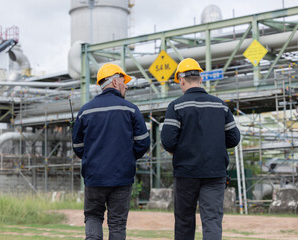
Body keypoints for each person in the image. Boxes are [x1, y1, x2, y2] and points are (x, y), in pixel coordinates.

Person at [160, 58, 240, 240]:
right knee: (212, 220)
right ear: (200, 78)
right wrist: (214, 143)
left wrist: (178, 150)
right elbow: (234, 138)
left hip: (186, 173)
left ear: (181, 80)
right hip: (215, 173)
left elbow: (167, 141)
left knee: (184, 221)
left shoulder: (176, 106)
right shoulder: (220, 105)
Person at [72, 63, 150, 240]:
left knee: (93, 216)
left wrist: (93, 158)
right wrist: (127, 157)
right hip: (122, 177)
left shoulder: (85, 111)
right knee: (117, 224)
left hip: (94, 177)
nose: (126, 85)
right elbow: (143, 143)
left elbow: (77, 147)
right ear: (115, 82)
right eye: (124, 81)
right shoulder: (131, 109)